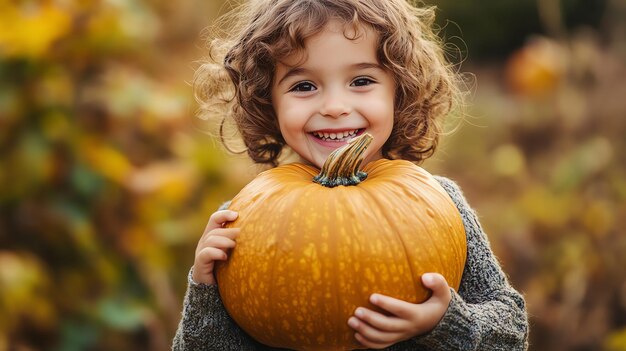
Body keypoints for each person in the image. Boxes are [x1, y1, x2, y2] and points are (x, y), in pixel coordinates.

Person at [173, 0, 529, 350]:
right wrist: (207, 292)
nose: (334, 107)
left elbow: (511, 332)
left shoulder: (441, 204)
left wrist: (446, 324)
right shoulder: (239, 222)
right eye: (304, 86)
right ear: (268, 101)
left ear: (398, 91)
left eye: (361, 80)